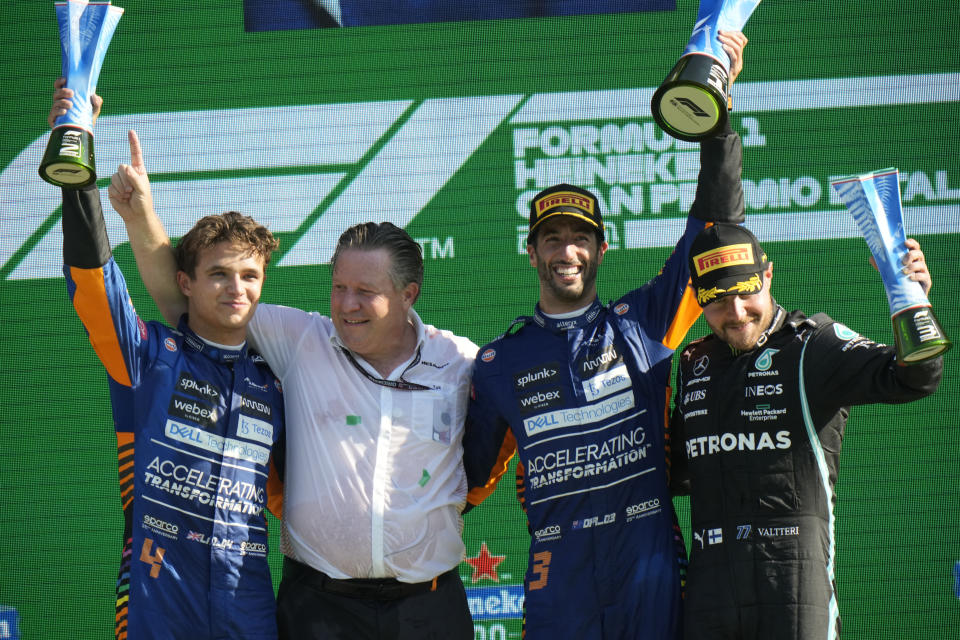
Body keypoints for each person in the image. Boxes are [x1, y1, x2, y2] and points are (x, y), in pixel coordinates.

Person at [103, 114, 478, 637]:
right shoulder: (299, 338)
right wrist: (140, 214)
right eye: (338, 286)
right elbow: (189, 298)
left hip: (429, 604)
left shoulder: (460, 362)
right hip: (319, 606)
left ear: (407, 295)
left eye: (364, 291)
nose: (346, 304)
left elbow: (486, 456)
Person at [462, 31, 750, 640]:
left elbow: (713, 225)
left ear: (600, 248)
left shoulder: (645, 320)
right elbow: (464, 480)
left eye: (579, 239)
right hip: (557, 579)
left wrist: (717, 121)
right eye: (552, 239)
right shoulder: (496, 363)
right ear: (531, 252)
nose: (566, 252)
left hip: (648, 567)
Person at [50, 79, 286, 640]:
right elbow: (92, 278)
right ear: (186, 282)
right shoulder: (150, 355)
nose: (237, 288)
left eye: (250, 276)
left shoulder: (278, 378)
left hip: (247, 599)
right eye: (219, 274)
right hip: (156, 598)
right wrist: (75, 150)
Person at [670, 223, 943, 639]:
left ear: (768, 275)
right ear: (698, 298)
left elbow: (916, 377)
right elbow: (680, 473)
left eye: (746, 290)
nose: (737, 311)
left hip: (795, 591)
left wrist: (913, 301)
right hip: (712, 598)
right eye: (718, 300)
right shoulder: (695, 364)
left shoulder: (813, 345)